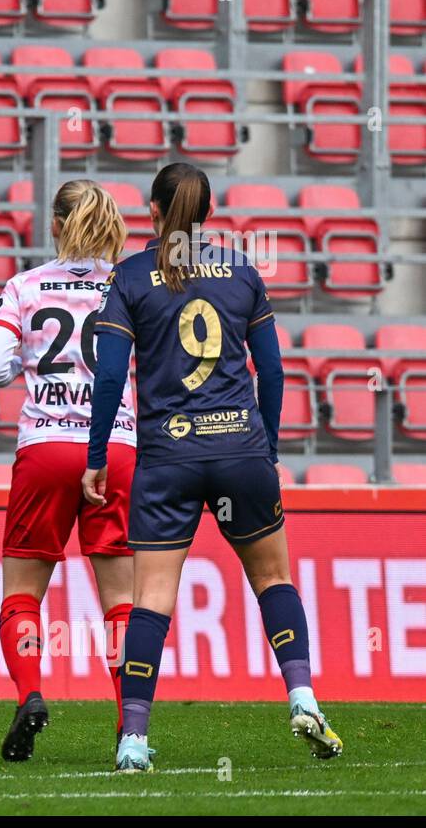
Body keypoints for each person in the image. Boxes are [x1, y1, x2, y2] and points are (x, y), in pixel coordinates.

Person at [82, 162, 342, 772]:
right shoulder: (243, 270)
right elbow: (273, 372)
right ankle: (303, 698)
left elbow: (112, 375)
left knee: (151, 598)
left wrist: (97, 459)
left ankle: (135, 740)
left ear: (153, 210)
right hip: (240, 451)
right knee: (274, 580)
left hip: (168, 457)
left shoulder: (132, 275)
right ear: (207, 214)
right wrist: (267, 449)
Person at [0, 180, 137, 762]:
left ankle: (30, 695)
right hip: (116, 447)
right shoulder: (129, 286)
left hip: (45, 447)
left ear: (54, 226)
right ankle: (129, 729)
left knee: (23, 593)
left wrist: (34, 362)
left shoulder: (25, 285)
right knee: (121, 600)